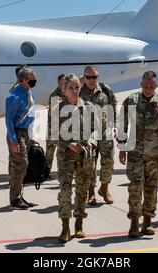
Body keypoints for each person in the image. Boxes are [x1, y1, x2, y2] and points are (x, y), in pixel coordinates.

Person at [119, 71, 158, 238]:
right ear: (141, 84)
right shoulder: (131, 101)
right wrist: (122, 148)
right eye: (145, 86)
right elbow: (122, 124)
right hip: (135, 152)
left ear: (156, 86)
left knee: (152, 188)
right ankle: (133, 221)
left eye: (151, 87)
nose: (148, 89)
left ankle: (147, 221)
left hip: (155, 153)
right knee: (135, 187)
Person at [55, 74, 98, 243]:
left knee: (82, 191)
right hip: (66, 156)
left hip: (84, 155)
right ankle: (65, 226)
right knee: (65, 191)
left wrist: (92, 142)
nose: (74, 91)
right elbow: (52, 134)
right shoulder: (58, 109)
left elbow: (96, 129)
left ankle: (79, 224)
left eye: (77, 87)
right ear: (64, 90)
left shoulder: (88, 107)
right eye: (71, 88)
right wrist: (67, 144)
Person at [80, 65, 118, 205]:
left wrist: (114, 125)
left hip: (105, 131)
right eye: (88, 77)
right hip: (87, 133)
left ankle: (104, 188)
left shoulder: (105, 90)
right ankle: (91, 193)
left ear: (98, 77)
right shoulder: (78, 91)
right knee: (90, 164)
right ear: (84, 77)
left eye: (94, 77)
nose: (91, 80)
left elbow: (113, 107)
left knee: (108, 161)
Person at [5, 67, 38, 209]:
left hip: (26, 133)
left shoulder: (27, 93)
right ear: (25, 79)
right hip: (17, 133)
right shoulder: (14, 96)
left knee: (23, 165)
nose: (35, 79)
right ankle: (14, 198)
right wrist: (13, 140)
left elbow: (30, 114)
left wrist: (31, 136)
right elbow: (9, 120)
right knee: (20, 164)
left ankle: (19, 195)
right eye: (32, 77)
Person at [46, 74, 66, 173]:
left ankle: (62, 171)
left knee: (62, 152)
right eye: (63, 81)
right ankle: (46, 172)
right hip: (53, 129)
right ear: (58, 83)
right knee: (50, 152)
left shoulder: (65, 93)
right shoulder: (55, 95)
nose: (65, 83)